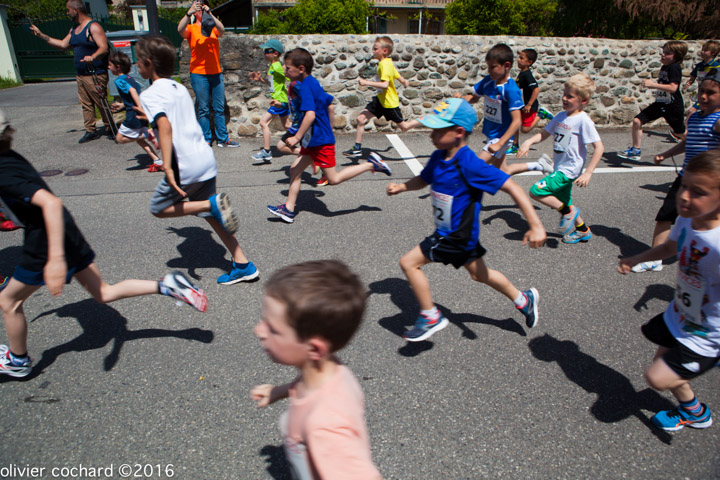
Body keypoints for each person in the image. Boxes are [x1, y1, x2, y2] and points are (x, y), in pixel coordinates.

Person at [0, 109, 208, 379]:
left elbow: (50, 203)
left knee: (8, 301)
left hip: (46, 241)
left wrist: (56, 260)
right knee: (103, 293)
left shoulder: (3, 171)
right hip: (64, 231)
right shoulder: (8, 158)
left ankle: (17, 360)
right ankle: (168, 286)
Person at [385, 98, 546, 342]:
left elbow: (512, 187)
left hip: (454, 236)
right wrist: (403, 187)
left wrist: (535, 225)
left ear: (459, 132)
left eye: (438, 130)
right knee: (480, 275)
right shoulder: (439, 157)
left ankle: (431, 316)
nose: (431, 135)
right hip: (459, 236)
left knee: (408, 263)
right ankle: (524, 300)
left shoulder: (470, 164)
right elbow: (424, 179)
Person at [135, 36, 258, 285]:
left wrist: (167, 166)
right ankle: (243, 264)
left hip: (184, 165)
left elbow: (165, 125)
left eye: (138, 61)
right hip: (204, 158)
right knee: (211, 214)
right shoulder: (179, 88)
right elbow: (173, 122)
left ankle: (210, 204)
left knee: (159, 208)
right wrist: (153, 127)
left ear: (148, 63)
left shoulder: (149, 95)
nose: (136, 65)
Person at [251, 260, 382, 479]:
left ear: (314, 349)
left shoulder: (326, 426)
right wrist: (278, 392)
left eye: (272, 329)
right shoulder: (328, 369)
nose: (258, 331)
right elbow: (305, 385)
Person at [618, 150, 720, 432]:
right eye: (684, 185)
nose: (684, 196)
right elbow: (670, 247)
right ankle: (694, 412)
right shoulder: (688, 219)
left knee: (658, 377)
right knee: (661, 362)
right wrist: (637, 258)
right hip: (680, 314)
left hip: (707, 333)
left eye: (698, 192)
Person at [267, 48, 393, 224]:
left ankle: (371, 164)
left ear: (301, 68)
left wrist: (296, 137)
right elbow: (329, 103)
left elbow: (310, 115)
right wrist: (327, 127)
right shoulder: (312, 82)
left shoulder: (305, 87)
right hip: (314, 139)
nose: (285, 70)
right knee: (295, 170)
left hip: (319, 140)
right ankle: (288, 209)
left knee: (333, 179)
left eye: (288, 68)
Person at [629, 70, 720, 272]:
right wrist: (665, 154)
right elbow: (687, 142)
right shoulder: (695, 118)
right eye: (701, 91)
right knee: (665, 214)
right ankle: (655, 258)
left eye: (711, 93)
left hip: (710, 184)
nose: (704, 96)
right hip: (686, 177)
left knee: (710, 220)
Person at [509, 73, 604, 244]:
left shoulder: (583, 121)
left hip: (569, 169)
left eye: (570, 96)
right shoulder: (561, 116)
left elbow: (599, 147)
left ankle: (567, 213)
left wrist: (588, 172)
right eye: (564, 94)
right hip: (560, 166)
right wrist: (528, 142)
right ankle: (583, 230)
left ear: (584, 100)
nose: (564, 98)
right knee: (565, 200)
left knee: (536, 191)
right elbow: (544, 134)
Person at [30, 0, 112, 144]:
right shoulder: (74, 29)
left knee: (100, 102)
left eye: (68, 10)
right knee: (86, 104)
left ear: (75, 10)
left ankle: (111, 128)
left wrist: (92, 57)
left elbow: (104, 48)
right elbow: (62, 45)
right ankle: (91, 130)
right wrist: (40, 35)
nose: (67, 13)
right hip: (81, 74)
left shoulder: (93, 27)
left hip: (95, 73)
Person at [177, 0, 239, 148]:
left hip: (215, 72)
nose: (199, 9)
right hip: (198, 73)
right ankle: (206, 139)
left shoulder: (212, 28)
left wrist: (210, 13)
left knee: (219, 107)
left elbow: (222, 30)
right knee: (203, 109)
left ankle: (223, 139)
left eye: (201, 6)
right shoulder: (191, 28)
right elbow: (180, 29)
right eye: (197, 7)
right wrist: (189, 13)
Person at [458, 43, 523, 172]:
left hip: (501, 137)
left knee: (474, 167)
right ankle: (539, 165)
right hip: (491, 133)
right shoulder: (488, 81)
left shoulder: (510, 89)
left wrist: (500, 143)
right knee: (503, 172)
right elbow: (474, 98)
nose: (489, 71)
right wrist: (459, 99)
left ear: (507, 66)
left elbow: (517, 121)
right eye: (488, 66)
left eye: (493, 67)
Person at [343, 36, 411, 159]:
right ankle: (357, 148)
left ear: (384, 51)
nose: (373, 51)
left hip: (389, 104)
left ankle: (425, 120)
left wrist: (366, 82)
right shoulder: (387, 63)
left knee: (404, 127)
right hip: (380, 100)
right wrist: (404, 82)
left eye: (375, 49)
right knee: (361, 119)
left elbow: (385, 85)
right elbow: (397, 75)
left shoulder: (385, 65)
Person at [618, 41, 687, 160]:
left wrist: (653, 85)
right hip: (660, 103)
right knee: (637, 121)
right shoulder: (665, 67)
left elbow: (673, 88)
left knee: (679, 133)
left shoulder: (674, 67)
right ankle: (635, 150)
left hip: (672, 106)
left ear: (677, 56)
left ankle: (701, 147)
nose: (663, 55)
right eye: (663, 52)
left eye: (667, 53)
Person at [107, 51, 162, 172]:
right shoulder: (130, 78)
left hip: (134, 114)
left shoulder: (119, 80)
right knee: (139, 139)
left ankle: (148, 134)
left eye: (110, 65)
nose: (108, 67)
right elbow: (134, 93)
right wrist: (123, 105)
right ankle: (157, 161)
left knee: (119, 139)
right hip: (138, 112)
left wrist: (139, 107)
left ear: (117, 67)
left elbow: (132, 91)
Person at [508, 48, 554, 155]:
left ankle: (541, 114)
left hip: (530, 106)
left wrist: (529, 104)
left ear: (529, 62)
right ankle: (515, 145)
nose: (518, 60)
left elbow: (536, 89)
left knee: (525, 130)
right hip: (521, 105)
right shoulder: (522, 73)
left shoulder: (527, 75)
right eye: (519, 57)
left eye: (521, 58)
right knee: (515, 121)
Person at [249, 39, 289, 162]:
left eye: (267, 51)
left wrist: (287, 69)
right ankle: (307, 137)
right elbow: (273, 83)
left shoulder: (277, 67)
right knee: (287, 125)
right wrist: (260, 80)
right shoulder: (273, 66)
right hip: (281, 100)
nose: (265, 53)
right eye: (264, 51)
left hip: (279, 100)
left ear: (275, 53)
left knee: (263, 123)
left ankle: (266, 151)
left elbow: (291, 77)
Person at [681, 40, 720, 138]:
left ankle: (685, 133)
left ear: (713, 53)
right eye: (702, 49)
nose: (702, 52)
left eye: (705, 50)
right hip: (702, 94)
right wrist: (688, 84)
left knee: (692, 111)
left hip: (711, 96)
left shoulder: (717, 66)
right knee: (695, 112)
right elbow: (693, 78)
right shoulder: (699, 66)